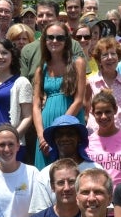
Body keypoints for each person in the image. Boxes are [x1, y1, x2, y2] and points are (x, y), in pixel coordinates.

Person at [33, 22, 86, 169]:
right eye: (50, 37)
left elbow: (79, 100)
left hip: (69, 125)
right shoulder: (41, 69)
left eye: (60, 38)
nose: (54, 41)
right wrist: (41, 135)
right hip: (45, 126)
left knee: (70, 169)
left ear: (66, 40)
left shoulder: (78, 63)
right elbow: (36, 105)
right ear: (44, 40)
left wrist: (58, 129)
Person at [28, 114, 101, 213]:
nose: (65, 138)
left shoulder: (96, 170)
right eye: (60, 135)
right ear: (54, 140)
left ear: (79, 138)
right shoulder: (44, 175)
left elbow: (105, 208)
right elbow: (39, 213)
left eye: (70, 134)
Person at [0, 38, 32, 163]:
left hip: (12, 147)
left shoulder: (21, 82)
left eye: (4, 53)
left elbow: (27, 117)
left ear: (13, 55)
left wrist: (12, 140)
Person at [85, 91, 121, 190]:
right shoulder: (88, 142)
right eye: (99, 113)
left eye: (107, 111)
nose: (103, 117)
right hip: (96, 197)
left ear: (115, 110)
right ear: (93, 113)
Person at [84, 37, 121, 134]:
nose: (110, 58)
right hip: (96, 133)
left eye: (113, 54)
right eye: (105, 55)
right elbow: (87, 112)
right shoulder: (90, 82)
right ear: (99, 60)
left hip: (120, 132)